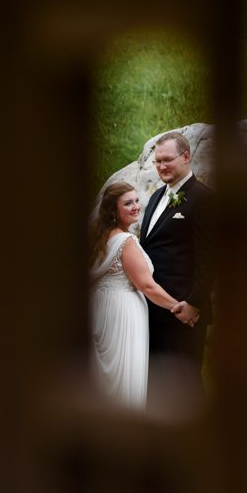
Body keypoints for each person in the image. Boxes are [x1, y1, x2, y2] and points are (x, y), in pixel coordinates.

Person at [88, 182, 188, 409]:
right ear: (113, 210)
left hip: (102, 309)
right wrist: (180, 309)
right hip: (122, 313)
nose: (135, 206)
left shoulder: (100, 237)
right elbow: (147, 286)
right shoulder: (126, 241)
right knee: (123, 380)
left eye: (136, 200)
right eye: (128, 203)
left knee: (105, 378)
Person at [139, 131, 215, 409]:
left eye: (167, 160)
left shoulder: (204, 198)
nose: (161, 167)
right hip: (154, 309)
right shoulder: (158, 196)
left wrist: (194, 303)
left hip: (183, 314)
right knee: (157, 385)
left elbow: (209, 257)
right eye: (157, 161)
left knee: (186, 387)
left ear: (186, 157)